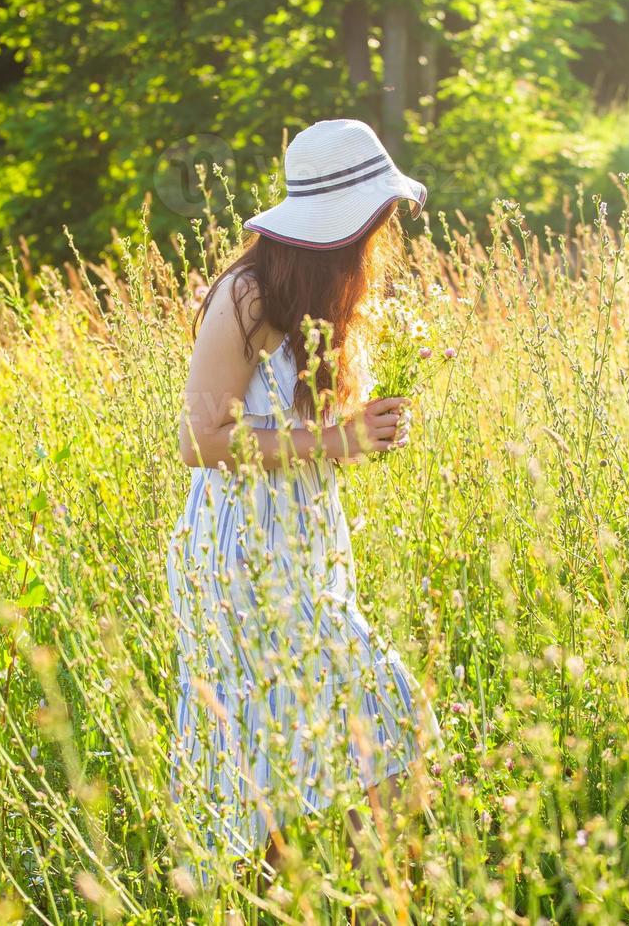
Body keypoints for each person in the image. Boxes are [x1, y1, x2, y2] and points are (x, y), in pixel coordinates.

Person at [168, 119, 439, 881]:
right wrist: (337, 441)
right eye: (373, 219)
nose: (382, 236)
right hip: (240, 558)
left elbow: (309, 429)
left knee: (349, 742)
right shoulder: (248, 293)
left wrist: (366, 429)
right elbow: (200, 440)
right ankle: (354, 901)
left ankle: (367, 900)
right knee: (373, 726)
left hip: (303, 550)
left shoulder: (328, 297)